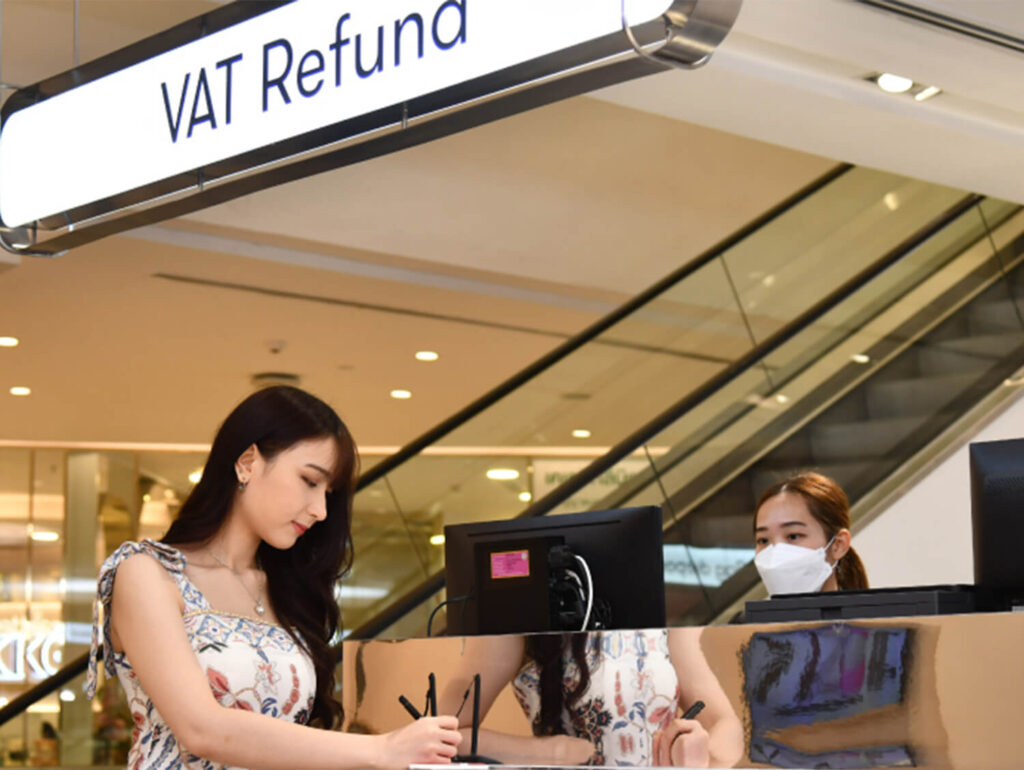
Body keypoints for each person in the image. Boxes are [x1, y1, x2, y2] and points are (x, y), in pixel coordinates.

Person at [86, 386, 461, 769]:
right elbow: (202, 729)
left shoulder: (285, 592)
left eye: (327, 494)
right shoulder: (148, 572)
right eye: (310, 481)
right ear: (248, 461)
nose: (320, 510)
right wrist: (383, 750)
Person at [437, 628, 744, 767]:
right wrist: (550, 754)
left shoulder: (662, 618)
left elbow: (727, 726)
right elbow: (439, 737)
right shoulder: (519, 623)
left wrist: (705, 753)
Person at [753, 471, 869, 596]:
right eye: (763, 540)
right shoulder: (745, 616)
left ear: (838, 545)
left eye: (793, 536)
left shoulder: (875, 616)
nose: (775, 555)